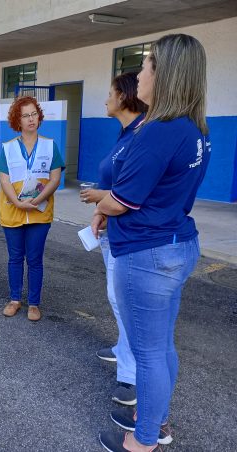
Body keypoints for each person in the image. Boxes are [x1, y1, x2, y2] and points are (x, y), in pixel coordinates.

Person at [95, 34, 211, 452]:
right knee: (160, 345)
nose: (139, 75)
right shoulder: (194, 126)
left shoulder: (158, 131)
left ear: (165, 75)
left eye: (146, 66)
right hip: (176, 242)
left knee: (148, 352)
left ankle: (143, 440)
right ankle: (153, 418)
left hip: (147, 252)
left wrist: (101, 202)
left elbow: (122, 201)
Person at [80, 72, 146, 406]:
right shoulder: (125, 134)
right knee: (116, 298)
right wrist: (101, 210)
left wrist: (98, 198)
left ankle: (133, 379)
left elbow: (133, 193)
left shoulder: (143, 135)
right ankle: (122, 350)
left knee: (125, 304)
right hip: (113, 229)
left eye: (109, 93)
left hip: (131, 236)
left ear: (123, 96)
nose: (105, 99)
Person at [0, 96, 64, 321]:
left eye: (34, 114)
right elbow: (4, 180)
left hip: (39, 211)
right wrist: (17, 202)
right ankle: (15, 299)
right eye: (25, 115)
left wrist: (37, 200)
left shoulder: (49, 145)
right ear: (18, 120)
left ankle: (34, 303)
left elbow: (54, 179)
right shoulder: (8, 148)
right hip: (12, 210)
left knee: (35, 259)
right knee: (15, 257)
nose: (31, 119)